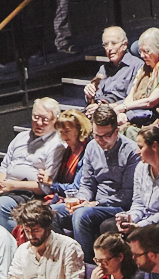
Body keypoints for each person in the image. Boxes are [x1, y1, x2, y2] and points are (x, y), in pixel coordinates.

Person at [58, 104, 140, 264]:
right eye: (96, 135)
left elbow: (127, 195)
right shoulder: (91, 146)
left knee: (81, 215)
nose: (100, 141)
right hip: (94, 203)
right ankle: (63, 263)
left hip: (118, 206)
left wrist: (94, 204)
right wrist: (82, 200)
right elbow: (87, 183)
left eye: (105, 136)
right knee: (54, 212)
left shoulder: (131, 151)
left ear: (116, 131)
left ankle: (86, 266)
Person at [0, 99, 68, 230]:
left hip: (30, 194)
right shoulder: (21, 137)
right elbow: (4, 166)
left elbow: (46, 187)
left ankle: (13, 247)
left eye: (44, 119)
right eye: (36, 117)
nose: (38, 123)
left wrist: (13, 185)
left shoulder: (57, 145)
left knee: (0, 205)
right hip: (8, 188)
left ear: (55, 120)